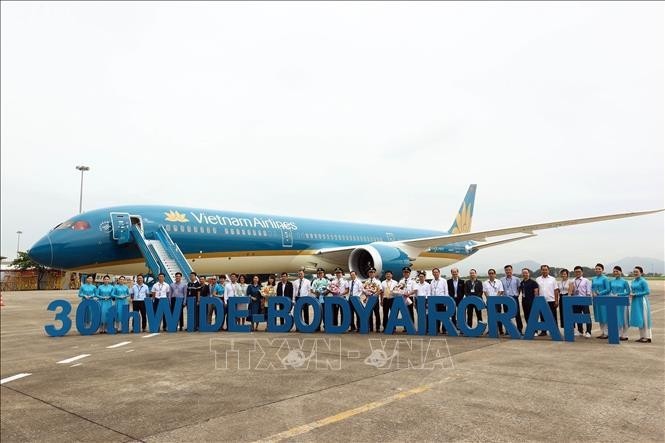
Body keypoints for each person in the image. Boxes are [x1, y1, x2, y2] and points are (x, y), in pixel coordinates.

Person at [630, 266, 652, 343]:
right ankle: (642, 336)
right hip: (635, 301)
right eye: (634, 272)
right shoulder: (633, 281)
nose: (635, 273)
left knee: (644, 317)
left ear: (641, 273)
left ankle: (647, 337)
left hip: (642, 301)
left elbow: (647, 292)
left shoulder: (643, 281)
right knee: (639, 318)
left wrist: (636, 294)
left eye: (637, 272)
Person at [535, 265, 559, 336]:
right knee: (542, 316)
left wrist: (556, 300)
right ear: (541, 270)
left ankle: (555, 331)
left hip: (551, 300)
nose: (544, 271)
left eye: (546, 270)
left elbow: (556, 290)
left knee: (553, 316)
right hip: (541, 301)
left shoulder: (553, 279)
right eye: (543, 270)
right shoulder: (537, 279)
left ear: (548, 270)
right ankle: (543, 331)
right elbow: (537, 290)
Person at [569, 266, 592, 337]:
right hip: (575, 300)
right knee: (577, 316)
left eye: (579, 271)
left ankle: (588, 332)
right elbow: (571, 291)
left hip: (584, 300)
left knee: (587, 316)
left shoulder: (586, 280)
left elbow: (588, 291)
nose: (577, 273)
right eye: (576, 272)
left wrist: (587, 300)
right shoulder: (572, 281)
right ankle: (580, 331)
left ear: (582, 272)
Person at [610, 266, 631, 341]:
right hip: (614, 302)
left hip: (622, 301)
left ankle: (624, 334)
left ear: (621, 272)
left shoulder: (625, 281)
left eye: (617, 271)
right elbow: (609, 290)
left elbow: (628, 292)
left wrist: (619, 294)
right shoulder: (611, 281)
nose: (615, 273)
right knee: (616, 317)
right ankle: (618, 334)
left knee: (624, 318)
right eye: (614, 271)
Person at [591, 263, 611, 339]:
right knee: (599, 316)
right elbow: (592, 288)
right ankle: (603, 332)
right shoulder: (594, 279)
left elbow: (608, 289)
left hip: (603, 299)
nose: (597, 270)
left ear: (602, 270)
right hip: (596, 299)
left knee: (604, 315)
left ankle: (607, 333)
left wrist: (599, 293)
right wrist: (593, 293)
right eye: (596, 269)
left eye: (599, 269)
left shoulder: (605, 278)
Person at [500, 265, 522, 334]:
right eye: (506, 270)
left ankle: (519, 330)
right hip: (505, 299)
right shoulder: (501, 279)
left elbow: (519, 287)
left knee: (517, 314)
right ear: (505, 271)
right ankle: (508, 330)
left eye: (509, 270)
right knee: (506, 315)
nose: (508, 271)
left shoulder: (517, 279)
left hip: (514, 298)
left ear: (512, 270)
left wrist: (517, 294)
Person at [483, 269, 505, 334]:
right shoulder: (485, 282)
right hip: (489, 302)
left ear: (495, 274)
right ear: (488, 274)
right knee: (490, 316)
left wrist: (495, 299)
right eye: (490, 273)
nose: (491, 275)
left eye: (492, 273)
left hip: (497, 301)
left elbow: (500, 291)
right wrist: (490, 300)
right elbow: (485, 292)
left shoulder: (499, 282)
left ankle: (500, 330)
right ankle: (490, 330)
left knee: (499, 315)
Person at [519, 268, 539, 334]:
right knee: (526, 316)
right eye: (523, 273)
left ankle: (535, 331)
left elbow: (536, 293)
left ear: (529, 273)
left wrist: (536, 302)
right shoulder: (521, 283)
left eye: (526, 273)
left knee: (533, 316)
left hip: (532, 301)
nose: (525, 274)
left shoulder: (533, 282)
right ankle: (530, 329)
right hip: (524, 302)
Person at [429, 268, 449, 334]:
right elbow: (431, 292)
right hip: (434, 301)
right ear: (432, 273)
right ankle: (437, 329)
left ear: (439, 273)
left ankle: (444, 329)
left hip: (442, 300)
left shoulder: (443, 280)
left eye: (436, 272)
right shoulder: (432, 281)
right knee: (436, 316)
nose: (435, 273)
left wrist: (446, 301)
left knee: (443, 316)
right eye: (434, 272)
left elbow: (446, 291)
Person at [363, 267, 382, 332]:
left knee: (377, 313)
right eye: (370, 272)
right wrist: (366, 295)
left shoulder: (378, 281)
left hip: (375, 299)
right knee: (369, 313)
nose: (371, 273)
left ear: (375, 273)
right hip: (368, 299)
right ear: (368, 273)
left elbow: (380, 290)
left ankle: (378, 327)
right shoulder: (366, 281)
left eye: (373, 272)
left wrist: (374, 295)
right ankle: (370, 327)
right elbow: (364, 290)